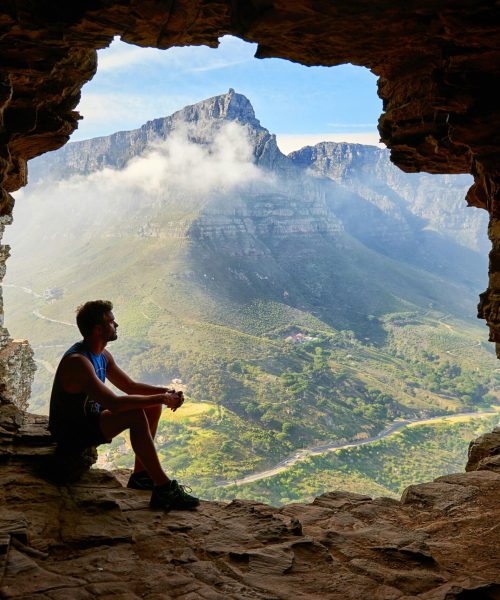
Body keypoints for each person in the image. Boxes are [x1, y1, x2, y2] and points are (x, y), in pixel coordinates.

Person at [48, 299, 199, 510]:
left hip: (89, 420)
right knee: (135, 415)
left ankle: (141, 476)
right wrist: (163, 399)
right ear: (98, 329)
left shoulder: (101, 354)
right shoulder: (79, 362)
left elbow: (130, 386)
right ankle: (164, 489)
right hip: (72, 431)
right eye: (111, 321)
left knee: (151, 407)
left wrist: (165, 393)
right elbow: (115, 403)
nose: (116, 324)